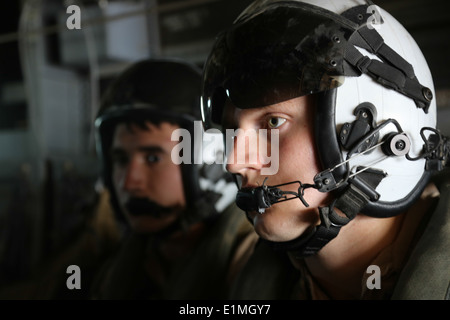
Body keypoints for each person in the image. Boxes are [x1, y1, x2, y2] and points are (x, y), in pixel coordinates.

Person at [200, 0, 450, 299]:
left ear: (372, 130)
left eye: (273, 122)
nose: (234, 163)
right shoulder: (235, 282)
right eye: (232, 131)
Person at [91, 58, 256, 299]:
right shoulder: (124, 266)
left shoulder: (253, 264)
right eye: (121, 160)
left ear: (211, 161)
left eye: (153, 159)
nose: (128, 183)